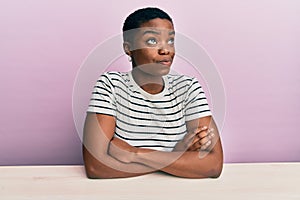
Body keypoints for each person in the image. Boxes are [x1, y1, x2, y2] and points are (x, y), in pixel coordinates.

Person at [82, 7, 223, 179]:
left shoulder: (188, 88)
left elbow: (213, 165)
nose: (166, 50)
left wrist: (136, 154)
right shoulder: (111, 85)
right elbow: (96, 166)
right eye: (151, 41)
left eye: (170, 41)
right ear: (129, 48)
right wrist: (178, 157)